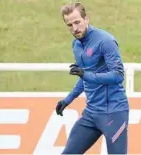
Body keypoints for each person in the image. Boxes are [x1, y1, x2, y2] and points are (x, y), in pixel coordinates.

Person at [55, 2, 129, 154]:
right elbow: (85, 78)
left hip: (113, 112)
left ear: (86, 19)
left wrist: (85, 74)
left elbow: (118, 75)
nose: (75, 28)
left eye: (77, 22)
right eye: (70, 25)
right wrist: (67, 100)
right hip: (91, 114)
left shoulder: (105, 41)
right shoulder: (76, 45)